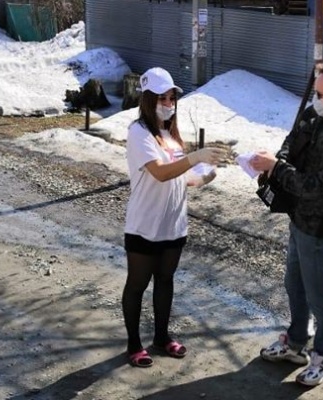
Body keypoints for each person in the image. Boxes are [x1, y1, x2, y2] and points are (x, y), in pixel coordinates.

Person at [250, 62, 323, 386]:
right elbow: (291, 142)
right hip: (299, 219)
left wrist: (276, 168)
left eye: (322, 94)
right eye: (316, 93)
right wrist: (279, 159)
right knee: (294, 285)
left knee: (321, 297)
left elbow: (315, 186)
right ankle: (295, 342)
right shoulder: (315, 118)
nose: (316, 100)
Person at [122, 67, 223, 368]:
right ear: (147, 99)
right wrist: (195, 157)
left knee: (165, 280)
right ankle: (134, 344)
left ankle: (162, 337)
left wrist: (204, 176)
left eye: (171, 98)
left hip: (174, 225)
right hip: (145, 225)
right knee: (137, 283)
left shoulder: (170, 134)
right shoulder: (138, 132)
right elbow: (161, 173)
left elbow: (181, 176)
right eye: (161, 98)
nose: (168, 104)